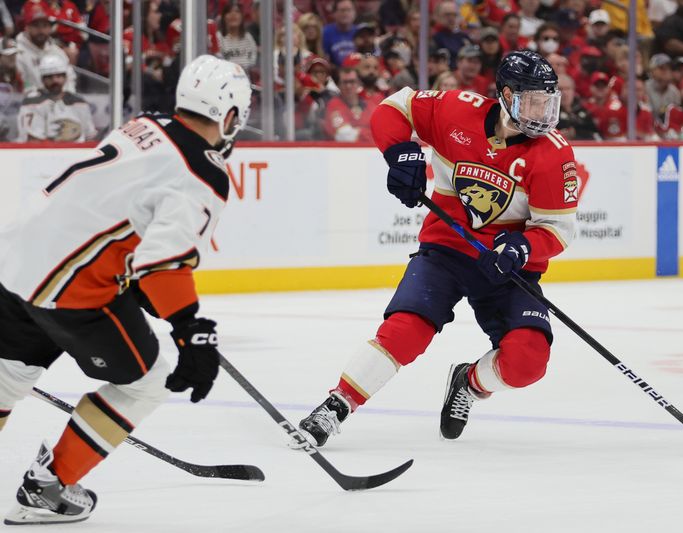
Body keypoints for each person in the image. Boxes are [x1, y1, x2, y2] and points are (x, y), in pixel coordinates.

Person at [0, 55, 251, 525]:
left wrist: (132, 276)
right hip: (70, 286)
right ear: (230, 115)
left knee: (5, 378)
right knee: (147, 381)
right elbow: (163, 264)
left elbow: (110, 211)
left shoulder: (143, 124)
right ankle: (49, 488)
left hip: (13, 258)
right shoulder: (205, 171)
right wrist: (189, 328)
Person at [296, 51, 577, 447]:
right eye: (534, 101)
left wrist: (524, 246)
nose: (544, 112)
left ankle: (469, 382)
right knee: (406, 329)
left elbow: (558, 229)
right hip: (447, 250)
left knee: (528, 361)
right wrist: (400, 153)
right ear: (508, 95)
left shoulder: (554, 155)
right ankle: (337, 405)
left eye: (549, 102)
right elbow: (393, 109)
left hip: (505, 267)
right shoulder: (455, 111)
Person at [17, 54, 96, 142]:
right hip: (45, 153)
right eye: (50, 77)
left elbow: (90, 137)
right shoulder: (32, 102)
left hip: (77, 152)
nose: (55, 81)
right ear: (42, 79)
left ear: (65, 77)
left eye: (59, 76)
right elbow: (33, 141)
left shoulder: (79, 102)